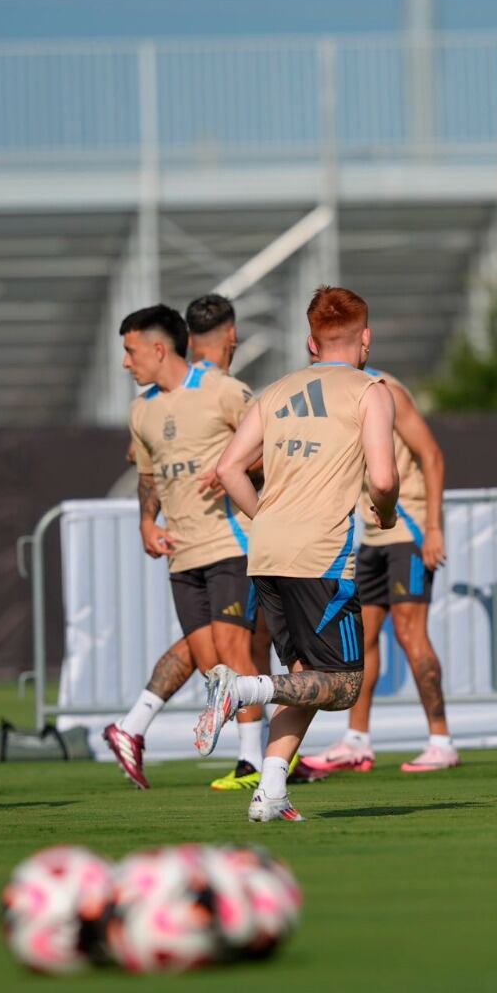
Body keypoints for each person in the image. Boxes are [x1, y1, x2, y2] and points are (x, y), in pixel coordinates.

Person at [200, 285, 399, 822]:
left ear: (311, 343)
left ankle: (270, 790)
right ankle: (242, 687)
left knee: (304, 674)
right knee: (345, 683)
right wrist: (389, 510)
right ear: (366, 338)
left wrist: (264, 518)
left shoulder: (277, 389)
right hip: (321, 555)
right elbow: (382, 476)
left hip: (266, 552)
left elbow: (228, 470)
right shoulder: (370, 389)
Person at [105, 304, 268, 791]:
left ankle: (253, 761)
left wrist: (237, 469)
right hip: (183, 553)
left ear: (159, 349)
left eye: (130, 352)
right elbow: (149, 474)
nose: (125, 363)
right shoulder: (142, 410)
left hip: (232, 544)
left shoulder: (223, 390)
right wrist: (146, 521)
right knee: (210, 662)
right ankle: (260, 752)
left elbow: (274, 442)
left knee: (237, 649)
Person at [300, 365, 452, 776]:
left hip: (409, 529)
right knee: (363, 638)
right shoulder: (338, 397)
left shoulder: (387, 391)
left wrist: (434, 528)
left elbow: (431, 455)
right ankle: (357, 740)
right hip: (372, 532)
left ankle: (441, 741)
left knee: (409, 633)